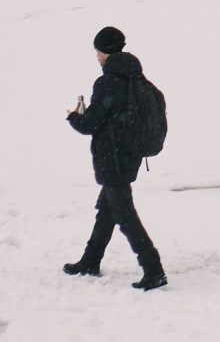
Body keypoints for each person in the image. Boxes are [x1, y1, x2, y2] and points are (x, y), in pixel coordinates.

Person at [62, 25, 166, 289]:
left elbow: (90, 125)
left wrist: (74, 116)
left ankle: (153, 269)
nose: (96, 56)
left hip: (113, 158)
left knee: (125, 216)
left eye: (97, 50)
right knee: (107, 211)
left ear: (105, 50)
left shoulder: (108, 81)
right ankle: (90, 260)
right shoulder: (136, 77)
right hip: (129, 155)